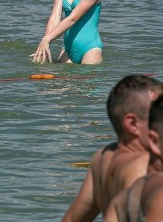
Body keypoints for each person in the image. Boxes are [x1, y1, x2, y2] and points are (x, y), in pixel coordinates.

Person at [64, 75, 163, 221]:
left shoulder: (101, 158)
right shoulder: (143, 165)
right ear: (133, 124)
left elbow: (72, 219)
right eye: (157, 113)